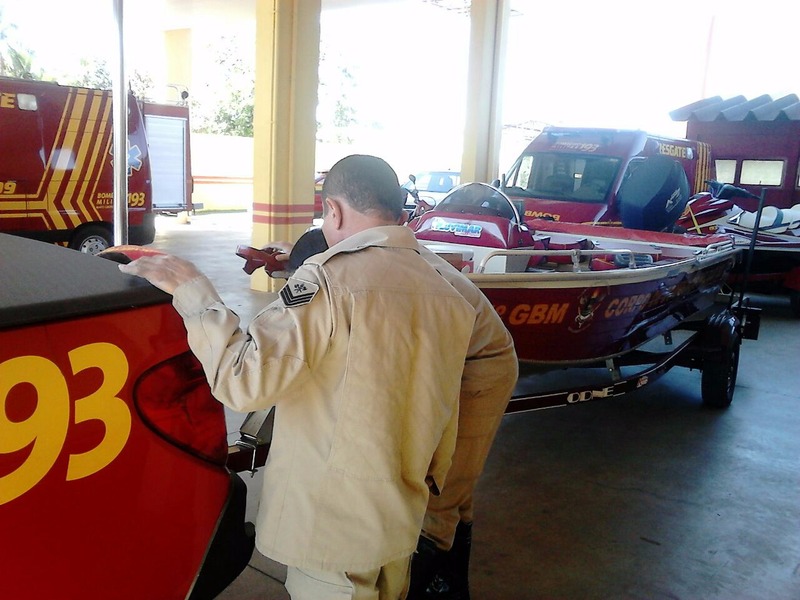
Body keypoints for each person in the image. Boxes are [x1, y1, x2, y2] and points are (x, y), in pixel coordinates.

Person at [119, 154, 477, 600]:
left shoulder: (328, 281)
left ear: (335, 210)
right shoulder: (448, 292)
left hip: (333, 533)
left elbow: (243, 382)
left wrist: (195, 292)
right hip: (399, 523)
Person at [407, 247, 518, 600]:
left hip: (481, 364)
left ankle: (426, 586)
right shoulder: (386, 249)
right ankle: (453, 587)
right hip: (462, 354)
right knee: (458, 495)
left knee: (440, 493)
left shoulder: (377, 266)